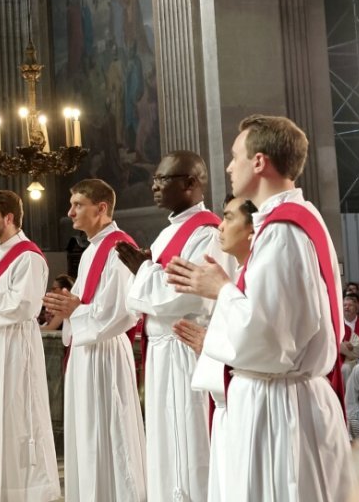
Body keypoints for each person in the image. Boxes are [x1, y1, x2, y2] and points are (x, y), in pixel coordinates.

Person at [166, 114, 352, 501]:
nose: (229, 166)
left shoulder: (283, 232)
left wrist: (220, 290)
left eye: (235, 156)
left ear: (259, 161)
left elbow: (269, 339)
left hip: (277, 411)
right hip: (278, 401)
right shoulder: (288, 222)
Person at [119, 151, 234, 502]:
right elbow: (138, 296)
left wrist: (143, 272)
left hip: (187, 348)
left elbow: (185, 298)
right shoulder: (167, 233)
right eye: (154, 178)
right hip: (162, 349)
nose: (153, 185)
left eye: (162, 179)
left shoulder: (207, 233)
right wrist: (146, 276)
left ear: (190, 183)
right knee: (165, 441)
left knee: (190, 442)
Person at [43, 178, 146, 502]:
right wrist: (67, 307)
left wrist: (77, 310)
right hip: (86, 352)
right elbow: (84, 303)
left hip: (105, 352)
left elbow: (122, 312)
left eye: (77, 205)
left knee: (110, 432)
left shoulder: (119, 247)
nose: (70, 211)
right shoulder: (91, 250)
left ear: (101, 208)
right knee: (87, 435)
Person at [0, 191, 59, 502]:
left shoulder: (28, 256)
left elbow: (26, 306)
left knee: (17, 419)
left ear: (9, 218)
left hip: (14, 348)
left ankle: (25, 491)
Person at [172, 195, 255, 501]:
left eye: (229, 218)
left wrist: (212, 343)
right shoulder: (244, 274)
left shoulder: (251, 277)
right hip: (228, 401)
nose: (219, 227)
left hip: (249, 401)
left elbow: (263, 342)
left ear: (253, 229)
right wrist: (209, 345)